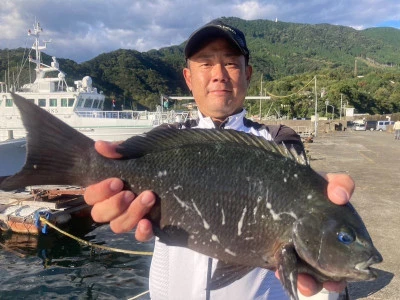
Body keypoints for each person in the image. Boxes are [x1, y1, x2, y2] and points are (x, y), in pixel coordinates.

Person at [84, 20, 354, 299]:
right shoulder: (165, 138)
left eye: (231, 63)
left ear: (248, 74)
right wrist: (109, 182)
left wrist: (327, 209)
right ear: (188, 78)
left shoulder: (278, 140)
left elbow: (301, 189)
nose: (219, 74)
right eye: (205, 63)